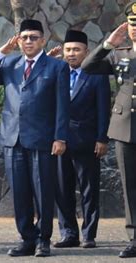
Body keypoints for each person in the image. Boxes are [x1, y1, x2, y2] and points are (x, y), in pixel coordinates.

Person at [0, 19, 70, 257]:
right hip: (12, 138)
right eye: (24, 37)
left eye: (33, 37)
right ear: (18, 40)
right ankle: (26, 239)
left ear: (43, 40)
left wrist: (60, 137)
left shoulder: (56, 67)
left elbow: (62, 106)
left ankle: (43, 240)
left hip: (42, 139)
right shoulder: (10, 63)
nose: (28, 41)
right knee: (19, 193)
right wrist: (0, 53)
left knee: (42, 191)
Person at [81, 1, 136, 258]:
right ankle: (134, 238)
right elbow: (87, 66)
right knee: (130, 187)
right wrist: (108, 44)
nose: (135, 30)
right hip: (125, 129)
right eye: (132, 25)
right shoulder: (119, 53)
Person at [51, 30, 110, 249]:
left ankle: (88, 235)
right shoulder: (56, 71)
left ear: (86, 51)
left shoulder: (97, 75)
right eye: (68, 50)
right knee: (62, 190)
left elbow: (104, 109)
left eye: (76, 50)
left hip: (86, 141)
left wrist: (102, 138)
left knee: (89, 191)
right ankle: (68, 234)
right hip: (59, 142)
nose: (71, 54)